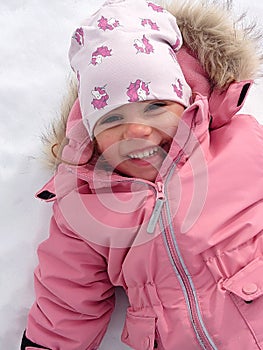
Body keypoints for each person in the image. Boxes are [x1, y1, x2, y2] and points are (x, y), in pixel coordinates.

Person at [21, 0, 263, 349]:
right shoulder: (85, 207)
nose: (137, 132)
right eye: (113, 120)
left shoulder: (241, 144)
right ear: (93, 136)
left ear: (186, 102)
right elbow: (68, 297)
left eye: (155, 107)